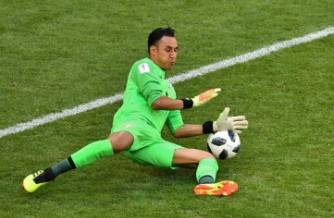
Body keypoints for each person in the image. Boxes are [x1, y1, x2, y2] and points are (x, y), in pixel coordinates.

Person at [22, 27, 248, 197]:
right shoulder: (143, 67)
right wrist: (192, 102)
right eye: (168, 49)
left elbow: (177, 130)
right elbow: (156, 103)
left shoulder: (170, 88)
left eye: (176, 50)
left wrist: (213, 127)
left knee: (206, 159)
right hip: (130, 127)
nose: (173, 55)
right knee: (120, 141)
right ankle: (50, 174)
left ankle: (206, 185)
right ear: (153, 50)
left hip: (150, 143)